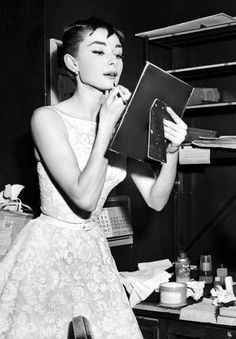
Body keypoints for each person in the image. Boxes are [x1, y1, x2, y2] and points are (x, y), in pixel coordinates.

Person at [0, 17, 187, 339]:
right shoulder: (47, 119)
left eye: (118, 53)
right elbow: (84, 198)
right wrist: (105, 128)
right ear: (73, 63)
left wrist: (172, 152)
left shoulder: (121, 124)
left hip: (92, 250)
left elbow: (156, 200)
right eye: (99, 52)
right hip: (48, 252)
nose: (113, 61)